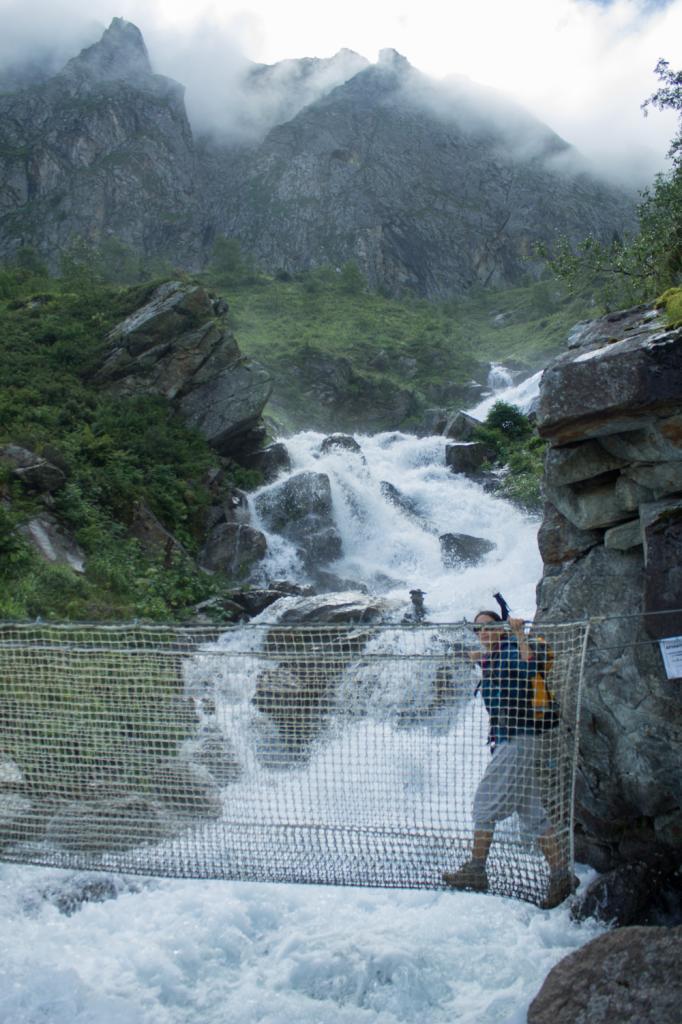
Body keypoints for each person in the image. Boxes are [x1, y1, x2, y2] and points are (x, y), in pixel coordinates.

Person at [442, 609, 576, 908]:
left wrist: (517, 634)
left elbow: (529, 668)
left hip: (515, 739)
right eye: (478, 630)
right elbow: (494, 667)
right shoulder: (494, 656)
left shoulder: (513, 649)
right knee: (532, 812)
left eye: (489, 628)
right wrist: (475, 657)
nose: (483, 634)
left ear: (501, 629)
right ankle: (561, 877)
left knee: (483, 805)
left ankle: (476, 871)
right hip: (514, 740)